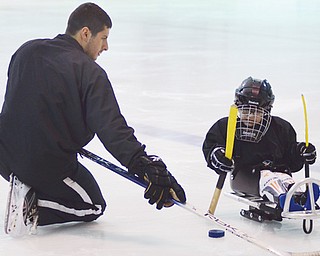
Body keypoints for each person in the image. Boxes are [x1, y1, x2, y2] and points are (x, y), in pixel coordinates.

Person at [0, 3, 186, 237]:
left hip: (4, 156)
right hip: (43, 164)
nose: (106, 47)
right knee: (93, 205)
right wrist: (144, 166)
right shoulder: (88, 72)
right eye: (104, 38)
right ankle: (33, 206)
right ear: (86, 33)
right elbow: (112, 129)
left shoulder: (26, 50)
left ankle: (28, 185)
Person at [202, 77, 317, 211]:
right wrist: (217, 155)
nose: (250, 116)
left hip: (277, 171)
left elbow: (291, 161)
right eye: (246, 110)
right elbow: (212, 146)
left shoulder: (280, 128)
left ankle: (299, 197)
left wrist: (300, 152)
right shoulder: (227, 126)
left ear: (267, 110)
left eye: (256, 112)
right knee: (267, 177)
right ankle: (283, 199)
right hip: (244, 176)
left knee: (284, 176)